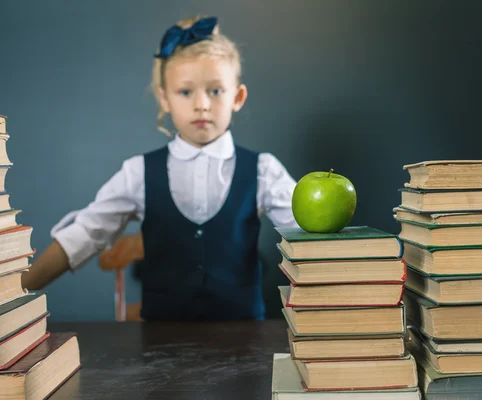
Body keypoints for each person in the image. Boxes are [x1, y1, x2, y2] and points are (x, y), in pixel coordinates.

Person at [22, 16, 298, 321]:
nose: (202, 104)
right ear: (164, 98)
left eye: (216, 91)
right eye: (185, 92)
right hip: (159, 347)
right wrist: (17, 290)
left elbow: (308, 234)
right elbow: (85, 234)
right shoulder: (138, 172)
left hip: (244, 344)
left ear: (238, 97)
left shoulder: (263, 170)